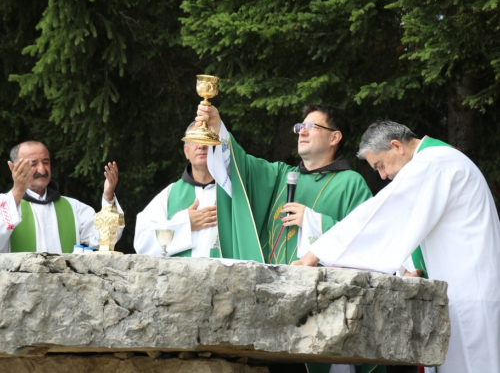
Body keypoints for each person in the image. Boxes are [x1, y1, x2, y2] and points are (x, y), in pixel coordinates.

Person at [293, 120, 500, 373]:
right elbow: (416, 226)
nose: (382, 175)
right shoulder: (440, 160)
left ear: (396, 146)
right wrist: (410, 268)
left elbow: (383, 215)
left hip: (469, 296)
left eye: (380, 165)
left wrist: (316, 254)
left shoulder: (434, 162)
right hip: (466, 287)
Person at [197, 105, 382, 373]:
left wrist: (313, 220)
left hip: (322, 317)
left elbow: (368, 243)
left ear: (335, 137)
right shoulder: (280, 176)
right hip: (272, 312)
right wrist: (217, 128)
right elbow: (239, 167)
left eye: (312, 127)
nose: (302, 132)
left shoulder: (351, 183)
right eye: (300, 127)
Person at [0, 140, 123, 253]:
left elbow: (104, 240)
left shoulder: (72, 207)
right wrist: (17, 191)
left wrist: (108, 196)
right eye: (33, 164)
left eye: (46, 162)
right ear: (15, 168)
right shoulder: (5, 205)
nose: (42, 170)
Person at [134, 122, 219, 258]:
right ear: (186, 151)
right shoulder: (169, 194)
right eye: (195, 140)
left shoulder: (231, 193)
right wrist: (185, 224)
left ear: (216, 148)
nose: (201, 146)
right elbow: (142, 243)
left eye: (206, 140)